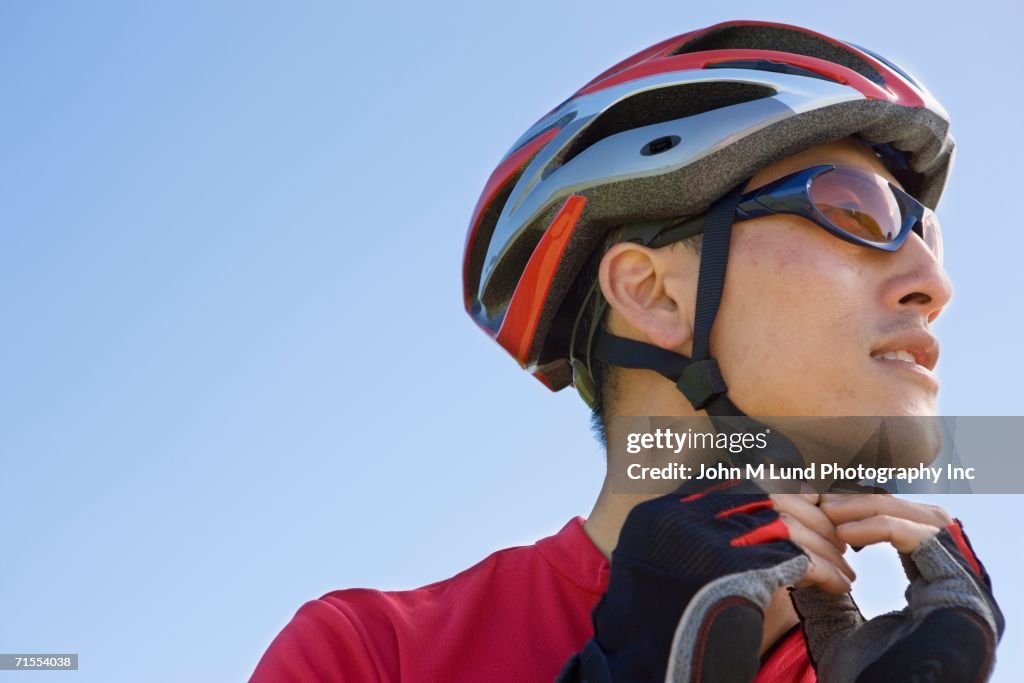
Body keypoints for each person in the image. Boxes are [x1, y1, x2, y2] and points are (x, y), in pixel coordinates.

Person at [250, 20, 1003, 682]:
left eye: (926, 232)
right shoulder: (375, 656)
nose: (933, 281)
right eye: (854, 209)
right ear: (653, 293)